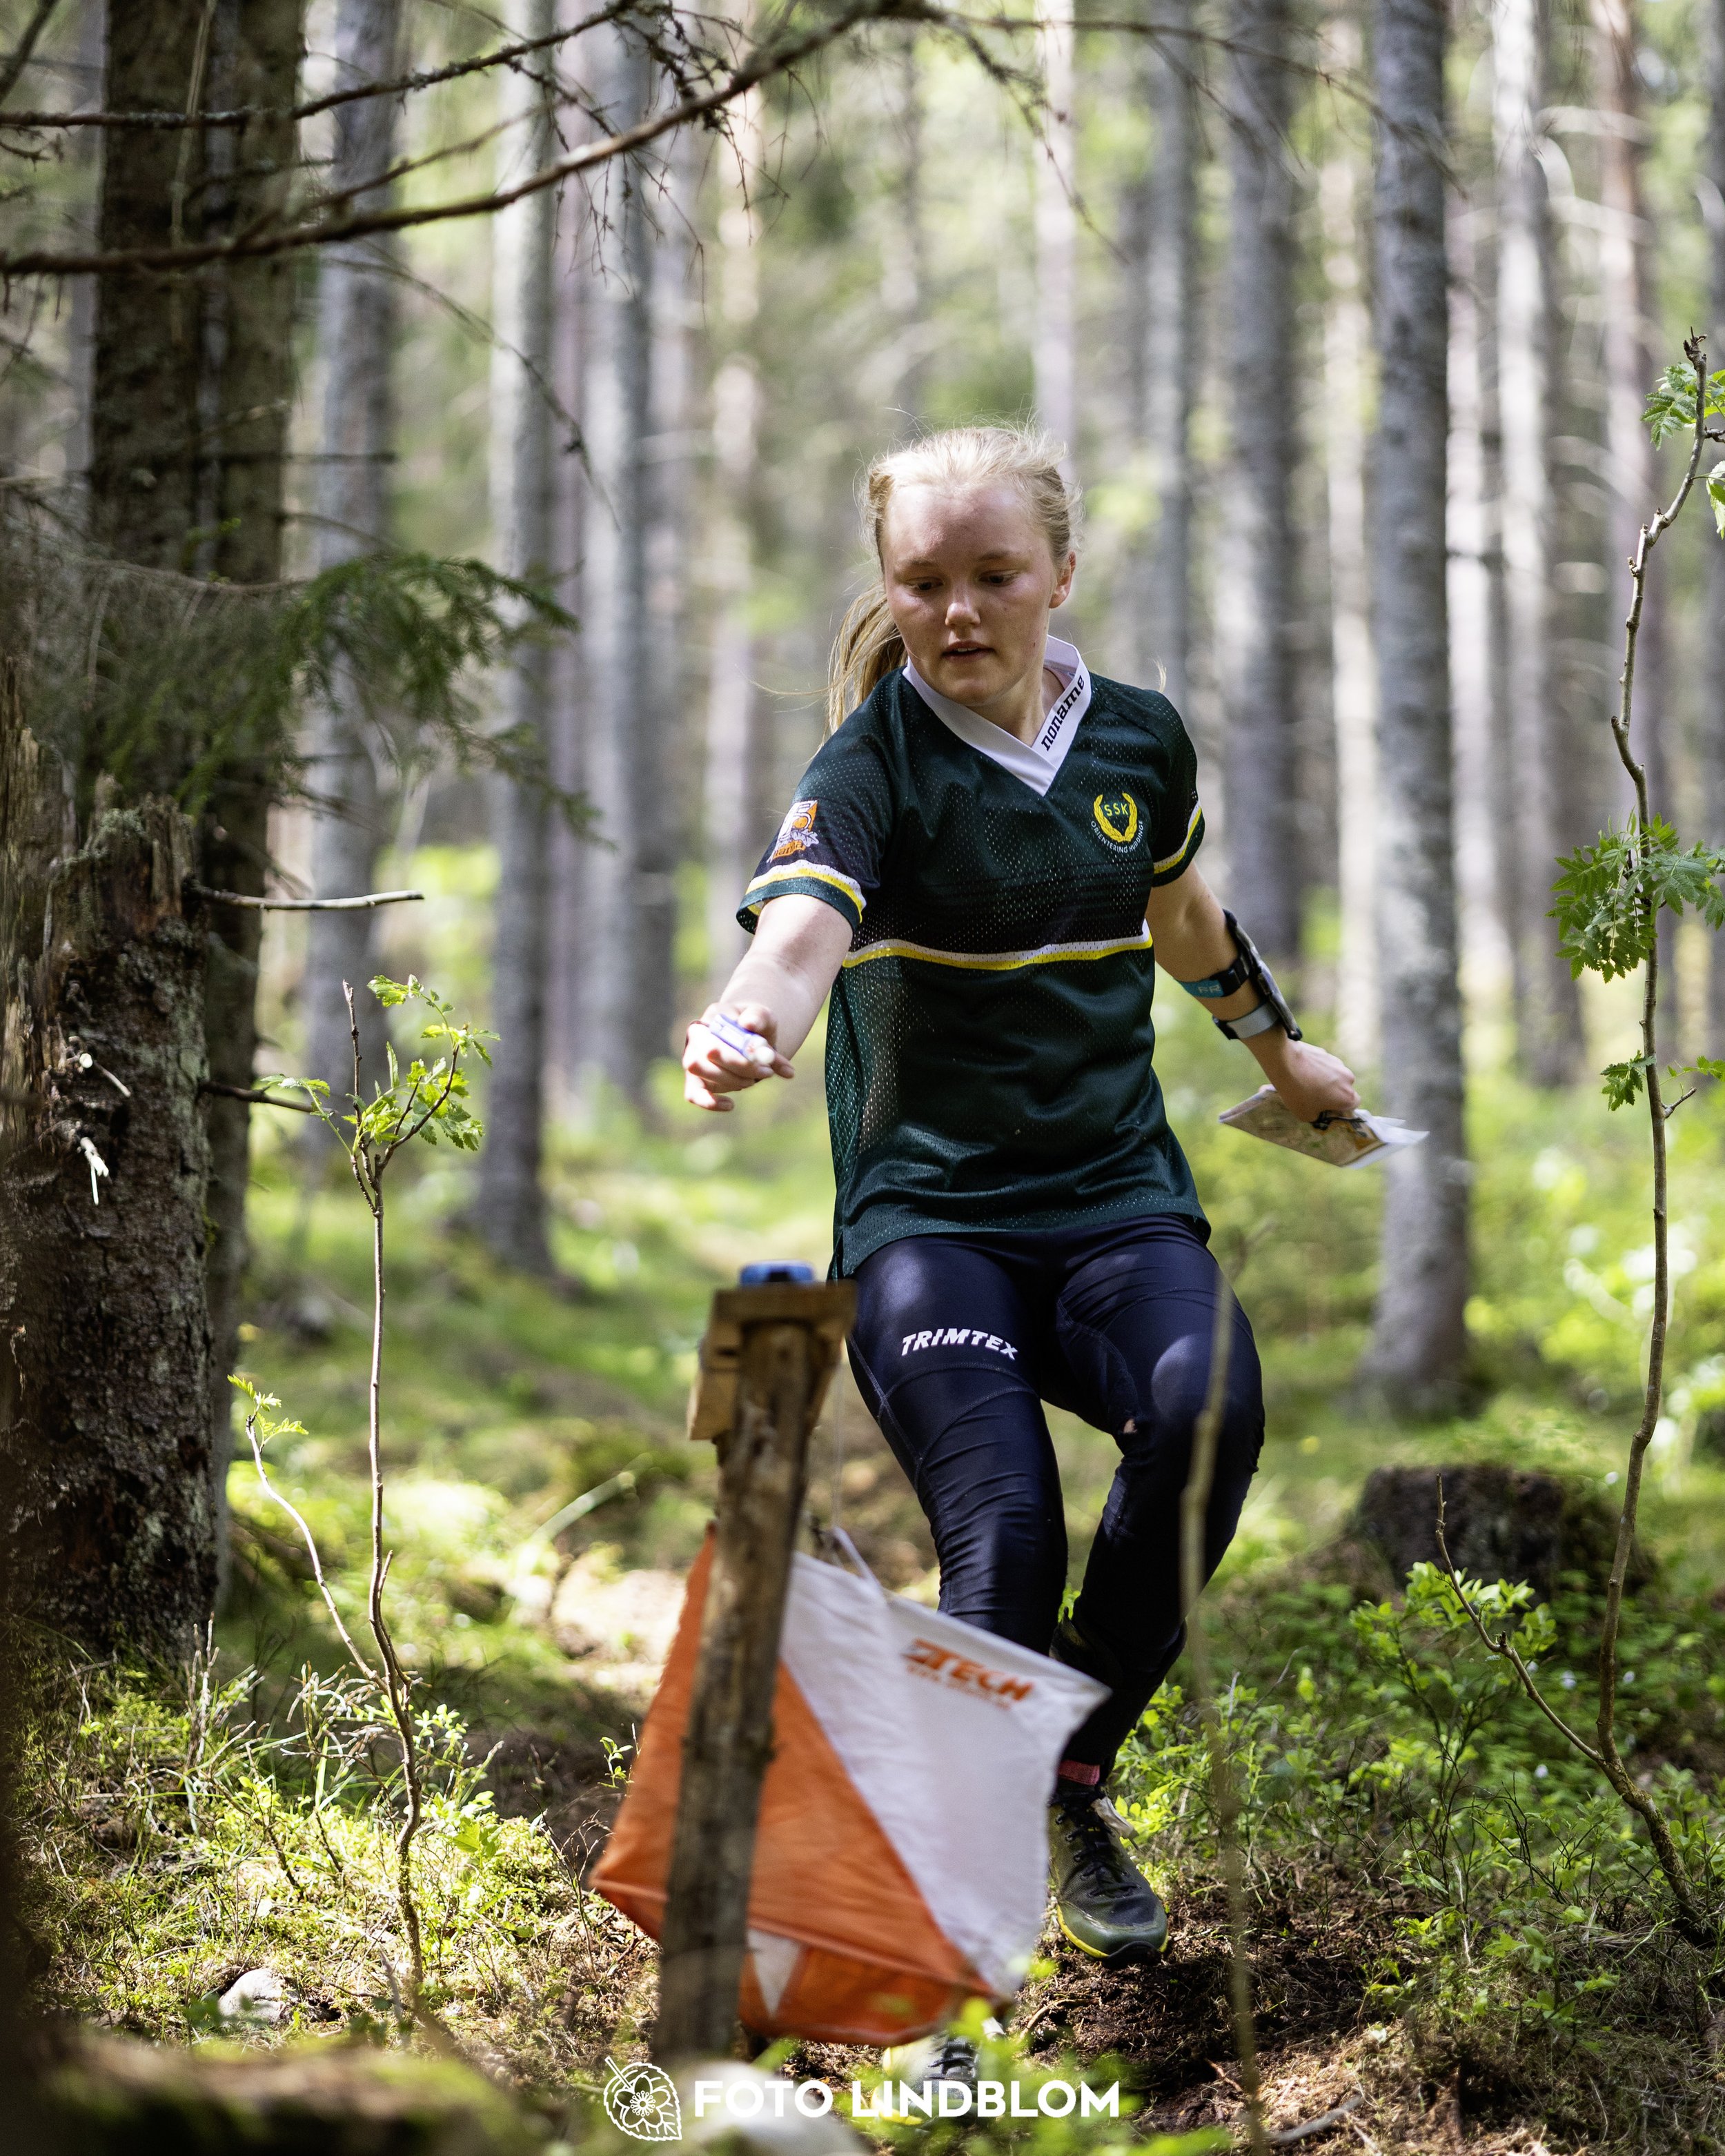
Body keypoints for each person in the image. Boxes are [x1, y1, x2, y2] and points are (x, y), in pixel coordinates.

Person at [681, 426, 1357, 1995]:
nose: (959, 611)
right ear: (889, 588)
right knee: (1004, 1544)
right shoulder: (869, 766)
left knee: (1205, 1429)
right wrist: (744, 1024)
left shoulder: (1135, 739)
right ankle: (928, 1943)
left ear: (1058, 571)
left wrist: (1274, 1044)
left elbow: (1176, 909)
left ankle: (1061, 1784)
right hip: (932, 1227)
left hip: (1118, 1204)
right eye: (923, 581)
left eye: (993, 576)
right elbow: (795, 935)